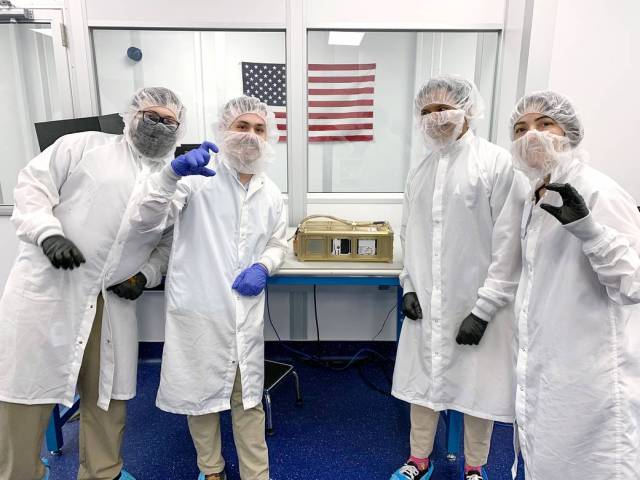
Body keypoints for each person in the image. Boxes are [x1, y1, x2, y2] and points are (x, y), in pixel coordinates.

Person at [0, 86, 184, 480]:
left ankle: (103, 471)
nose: (159, 126)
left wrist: (145, 275)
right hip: (52, 292)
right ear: (130, 115)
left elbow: (167, 242)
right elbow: (33, 187)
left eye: (169, 121)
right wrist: (47, 233)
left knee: (108, 395)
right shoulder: (83, 147)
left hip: (113, 300)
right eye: (151, 115)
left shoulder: (175, 181)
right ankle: (19, 473)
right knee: (26, 393)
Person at [129, 95, 287, 480]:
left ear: (271, 137)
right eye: (242, 126)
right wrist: (170, 175)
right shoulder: (197, 179)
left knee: (248, 400)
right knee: (198, 399)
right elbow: (145, 219)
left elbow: (278, 242)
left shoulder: (270, 192)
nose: (251, 136)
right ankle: (211, 470)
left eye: (259, 128)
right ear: (224, 130)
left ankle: (256, 475)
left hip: (243, 313)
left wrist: (264, 266)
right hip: (198, 308)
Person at [390, 75, 526, 480]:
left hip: (477, 302)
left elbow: (509, 245)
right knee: (422, 387)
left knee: (477, 391)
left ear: (468, 109)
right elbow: (408, 235)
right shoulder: (421, 170)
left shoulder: (496, 164)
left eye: (444, 108)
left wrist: (483, 310)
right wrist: (409, 285)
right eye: (427, 111)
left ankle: (474, 468)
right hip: (428, 302)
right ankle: (418, 460)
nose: (436, 118)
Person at [509, 91, 640, 478]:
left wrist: (592, 233)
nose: (531, 135)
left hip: (590, 373)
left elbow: (634, 283)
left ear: (570, 132)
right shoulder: (537, 195)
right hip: (548, 365)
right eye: (520, 129)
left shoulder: (599, 191)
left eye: (544, 124)